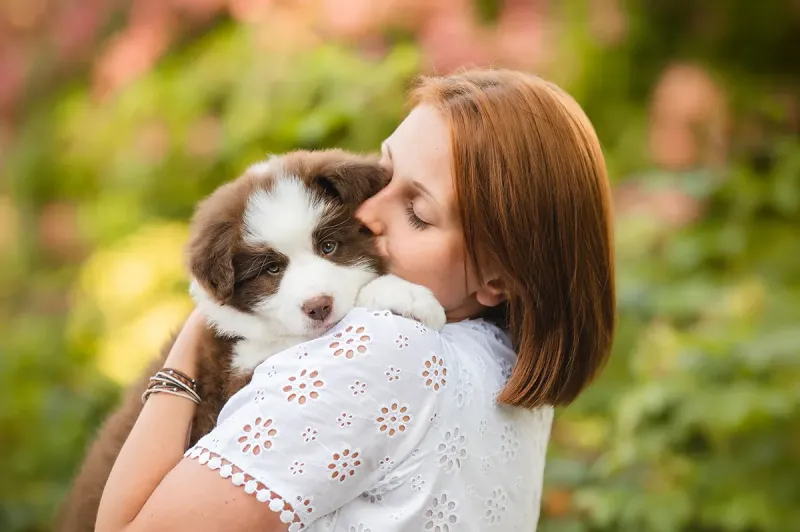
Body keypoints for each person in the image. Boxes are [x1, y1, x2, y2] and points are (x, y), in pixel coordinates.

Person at [95, 69, 615, 531]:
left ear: (497, 279)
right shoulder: (500, 359)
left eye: (417, 211)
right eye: (382, 173)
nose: (364, 212)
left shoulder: (380, 350)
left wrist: (186, 352)